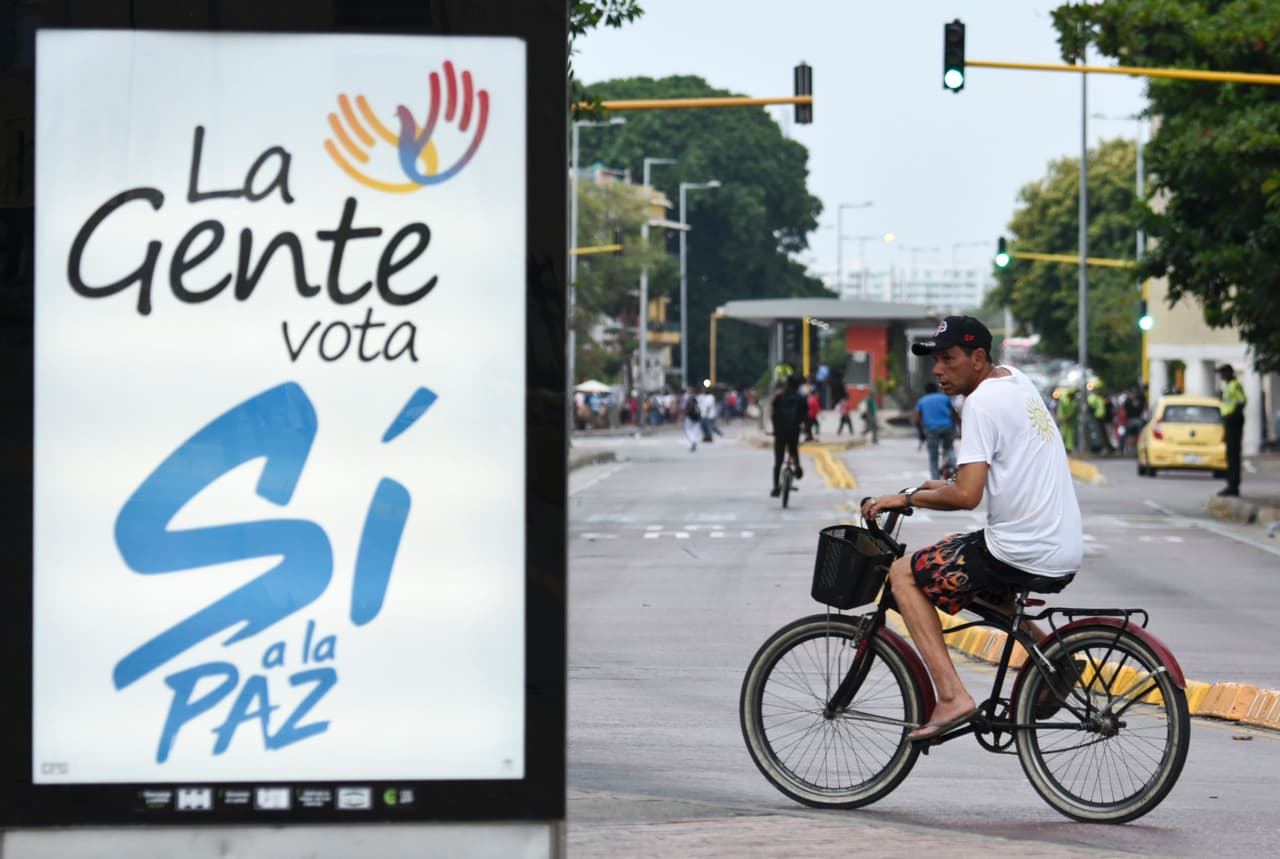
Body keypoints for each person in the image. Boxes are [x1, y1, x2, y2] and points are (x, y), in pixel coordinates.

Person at [861, 316, 1082, 741]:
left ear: (978, 358)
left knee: (904, 573)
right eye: (935, 361)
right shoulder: (1015, 380)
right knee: (969, 580)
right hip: (1059, 544)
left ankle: (951, 696)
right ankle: (1054, 659)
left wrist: (905, 499)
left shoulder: (979, 402)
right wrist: (939, 486)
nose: (938, 370)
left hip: (1021, 548)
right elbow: (995, 468)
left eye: (949, 359)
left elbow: (967, 496)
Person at [914, 381, 959, 480]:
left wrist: (921, 433)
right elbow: (954, 414)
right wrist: (959, 425)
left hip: (932, 430)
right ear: (936, 389)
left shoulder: (922, 401)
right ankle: (953, 470)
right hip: (947, 428)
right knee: (949, 449)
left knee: (933, 456)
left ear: (926, 391)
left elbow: (917, 420)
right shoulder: (944, 398)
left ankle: (935, 480)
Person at [770, 376, 806, 497]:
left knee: (778, 462)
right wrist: (803, 428)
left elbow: (773, 414)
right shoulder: (801, 398)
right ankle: (797, 466)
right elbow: (805, 415)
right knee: (793, 450)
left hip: (780, 432)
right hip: (794, 431)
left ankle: (776, 488)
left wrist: (775, 429)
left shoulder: (779, 397)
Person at [1218, 364, 1246, 497]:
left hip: (1234, 422)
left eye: (1222, 373)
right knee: (1230, 454)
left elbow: (1242, 401)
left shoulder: (1235, 385)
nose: (1221, 375)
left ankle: (1233, 486)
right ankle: (1231, 484)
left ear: (1229, 372)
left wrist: (1232, 415)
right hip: (1229, 422)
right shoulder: (1228, 386)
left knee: (1233, 454)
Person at [1056, 388, 1078, 454]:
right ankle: (1063, 448)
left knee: (1070, 434)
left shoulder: (1074, 402)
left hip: (1070, 420)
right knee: (1064, 433)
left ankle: (1069, 448)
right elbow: (1061, 409)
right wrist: (1062, 417)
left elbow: (1073, 411)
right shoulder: (1064, 400)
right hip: (1064, 419)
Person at [682, 386, 702, 452]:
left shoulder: (688, 398)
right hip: (697, 417)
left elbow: (687, 408)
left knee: (687, 430)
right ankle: (694, 441)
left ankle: (693, 441)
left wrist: (685, 414)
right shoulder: (699, 398)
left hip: (690, 417)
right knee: (695, 431)